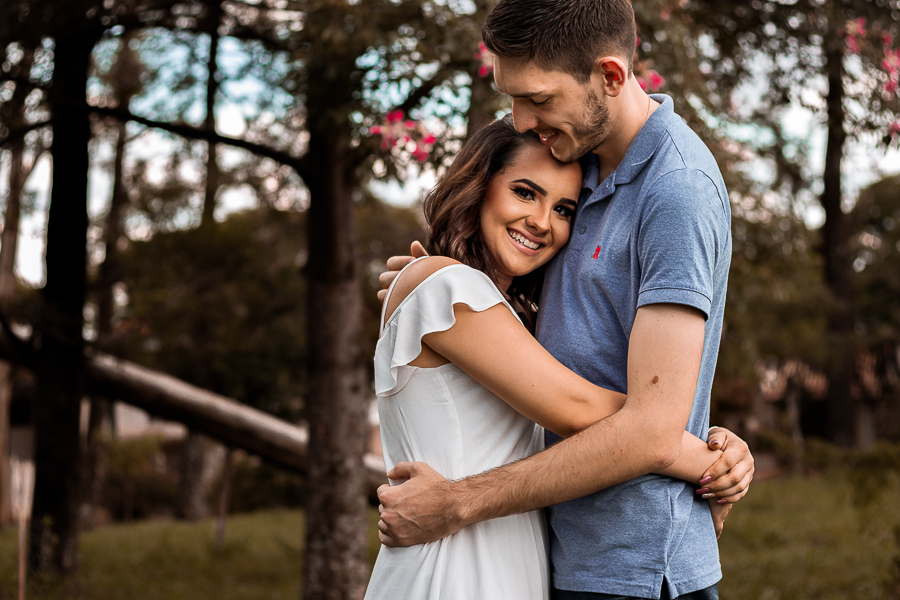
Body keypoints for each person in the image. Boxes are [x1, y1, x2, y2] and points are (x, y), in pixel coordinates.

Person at [375, 0, 755, 598]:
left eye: (538, 99)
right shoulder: (580, 162)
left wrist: (693, 447)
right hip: (555, 556)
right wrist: (452, 283)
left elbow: (648, 425)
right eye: (511, 98)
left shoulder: (675, 189)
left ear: (609, 76)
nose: (521, 121)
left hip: (630, 569)